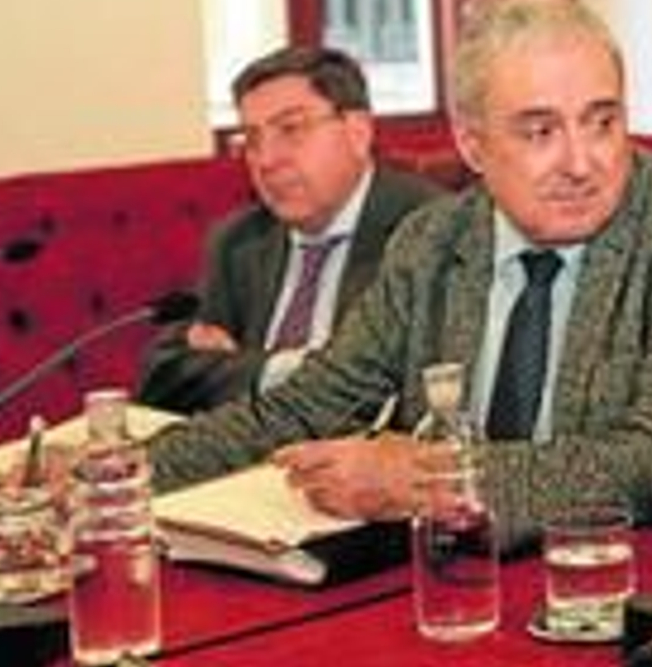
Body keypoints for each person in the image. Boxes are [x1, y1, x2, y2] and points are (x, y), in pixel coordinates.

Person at [147, 0, 652, 552]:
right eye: (540, 131)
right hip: (445, 577)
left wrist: (435, 476)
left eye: (602, 122)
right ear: (473, 145)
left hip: (610, 570)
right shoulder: (433, 239)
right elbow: (306, 405)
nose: (581, 162)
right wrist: (126, 472)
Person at [138, 45, 442, 413]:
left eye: (291, 129)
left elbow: (398, 386)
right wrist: (277, 369)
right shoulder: (238, 240)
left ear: (358, 133)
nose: (267, 160)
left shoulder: (428, 229)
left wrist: (234, 368)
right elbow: (164, 376)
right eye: (252, 139)